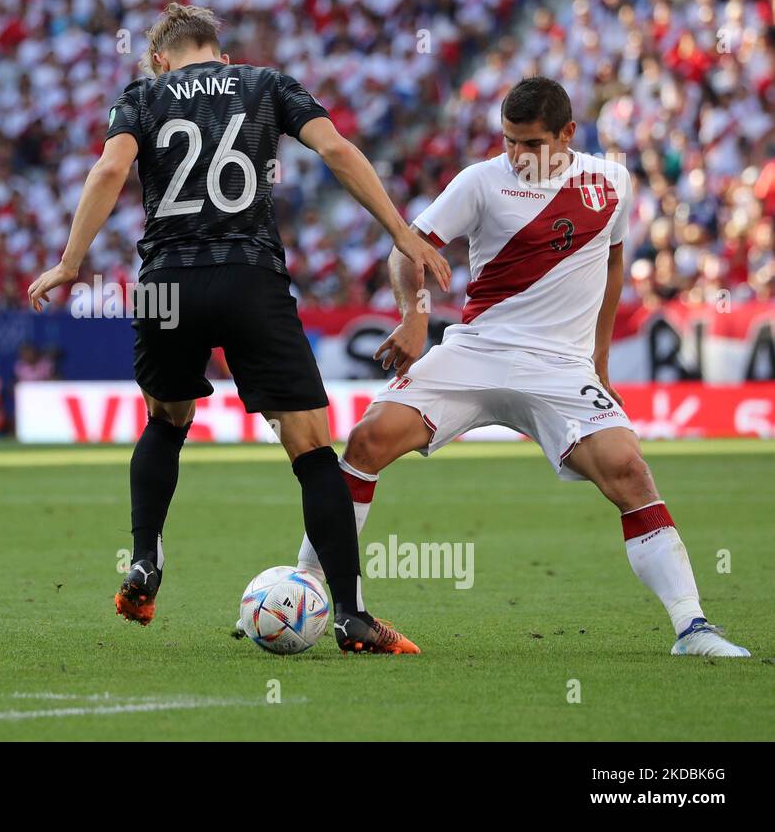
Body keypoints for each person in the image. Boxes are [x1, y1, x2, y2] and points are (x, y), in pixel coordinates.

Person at [28, 3, 449, 653]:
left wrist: (70, 262)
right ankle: (353, 616)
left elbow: (110, 170)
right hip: (249, 277)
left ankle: (144, 561)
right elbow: (336, 149)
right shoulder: (263, 83)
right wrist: (403, 234)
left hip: (168, 282)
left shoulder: (141, 94)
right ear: (220, 54)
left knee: (165, 421)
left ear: (161, 59)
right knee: (312, 453)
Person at [296, 76, 748, 658]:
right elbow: (406, 247)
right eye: (508, 140)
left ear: (566, 135)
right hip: (476, 349)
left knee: (629, 471)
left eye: (530, 144)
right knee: (366, 439)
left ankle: (693, 628)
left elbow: (612, 271)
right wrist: (414, 315)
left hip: (560, 366)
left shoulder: (611, 184)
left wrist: (599, 361)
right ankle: (309, 584)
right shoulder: (480, 181)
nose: (515, 155)